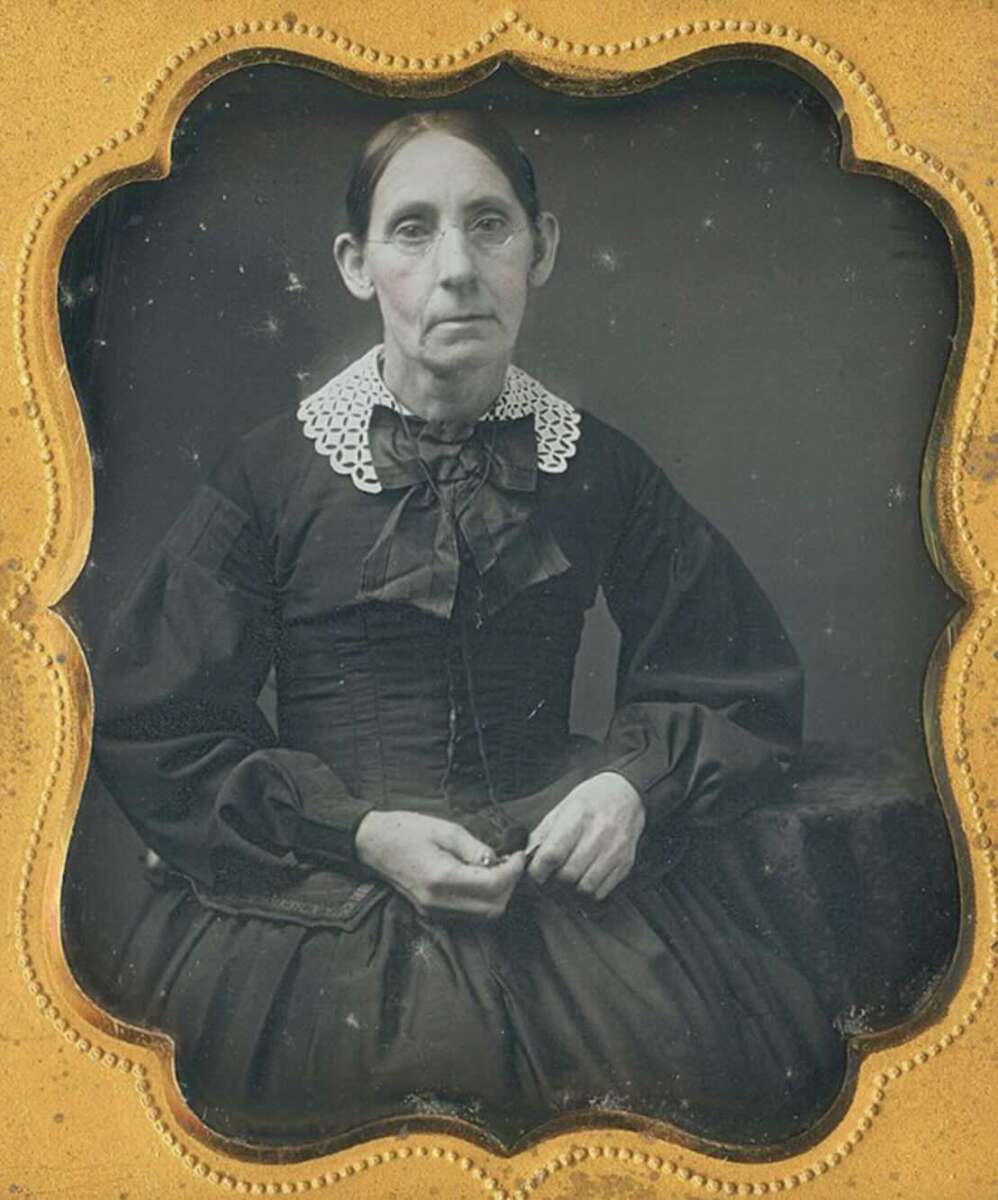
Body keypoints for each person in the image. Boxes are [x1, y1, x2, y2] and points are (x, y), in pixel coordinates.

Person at [91, 109, 846, 1149]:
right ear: (356, 265)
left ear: (541, 249)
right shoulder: (269, 476)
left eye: (488, 225)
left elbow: (733, 679)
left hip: (567, 899)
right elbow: (158, 721)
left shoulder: (596, 467)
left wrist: (630, 787)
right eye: (413, 229)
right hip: (319, 915)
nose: (457, 268)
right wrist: (352, 828)